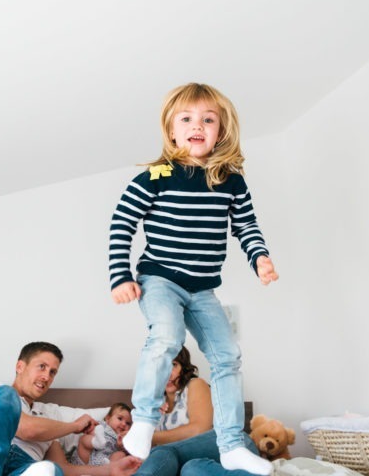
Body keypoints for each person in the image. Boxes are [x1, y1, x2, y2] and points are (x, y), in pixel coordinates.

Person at [109, 83, 278, 475]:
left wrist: (260, 258)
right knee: (166, 337)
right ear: (171, 130)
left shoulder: (230, 180)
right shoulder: (158, 175)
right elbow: (122, 223)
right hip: (160, 279)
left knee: (228, 357)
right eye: (186, 119)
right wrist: (120, 275)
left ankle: (232, 444)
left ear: (220, 130)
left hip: (202, 287)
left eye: (207, 119)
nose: (196, 125)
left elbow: (247, 225)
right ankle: (145, 420)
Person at [0, 341, 141, 476]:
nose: (47, 377)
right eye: (42, 367)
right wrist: (74, 426)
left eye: (53, 372)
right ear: (20, 366)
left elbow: (64, 468)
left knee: (49, 470)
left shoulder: (48, 419)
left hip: (22, 469)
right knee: (8, 394)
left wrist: (111, 469)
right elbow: (27, 429)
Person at [132, 346, 260, 476]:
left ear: (183, 367)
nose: (167, 373)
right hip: (204, 465)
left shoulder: (195, 384)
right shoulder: (153, 405)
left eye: (173, 365)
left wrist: (149, 437)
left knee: (165, 452)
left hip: (233, 445)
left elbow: (199, 429)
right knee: (191, 470)